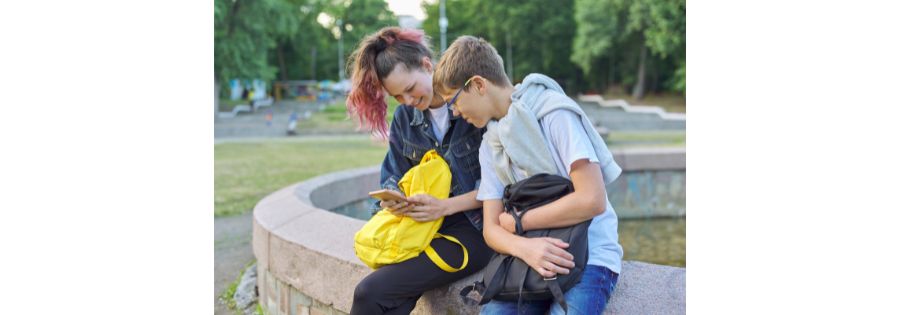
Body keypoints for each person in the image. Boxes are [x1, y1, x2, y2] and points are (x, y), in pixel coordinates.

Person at [434, 36, 623, 315]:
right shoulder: (491, 143)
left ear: (478, 85)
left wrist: (520, 221)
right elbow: (492, 229)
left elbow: (592, 199)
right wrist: (525, 247)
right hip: (526, 257)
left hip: (588, 255)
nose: (455, 112)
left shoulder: (553, 113)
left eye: (454, 101)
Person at [345, 27, 493, 315]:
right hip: (422, 227)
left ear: (427, 65)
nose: (408, 102)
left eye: (411, 89)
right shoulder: (404, 118)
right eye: (398, 97)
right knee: (388, 300)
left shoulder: (472, 106)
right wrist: (394, 198)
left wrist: (444, 207)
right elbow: (394, 173)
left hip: (473, 230)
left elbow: (501, 185)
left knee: (369, 293)